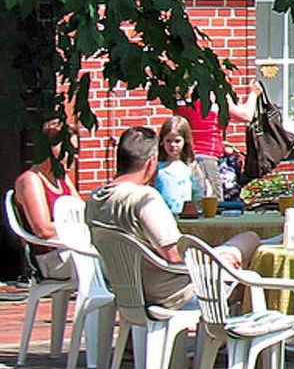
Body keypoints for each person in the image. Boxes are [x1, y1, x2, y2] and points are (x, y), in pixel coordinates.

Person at [85, 127, 261, 310]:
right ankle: (232, 335)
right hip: (177, 294)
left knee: (241, 251)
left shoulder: (95, 198)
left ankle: (218, 337)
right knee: (251, 243)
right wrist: (217, 257)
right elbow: (174, 254)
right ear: (151, 162)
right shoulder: (144, 199)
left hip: (129, 292)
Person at [11, 112, 79, 278]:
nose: (74, 156)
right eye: (68, 150)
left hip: (70, 250)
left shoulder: (62, 179)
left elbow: (83, 214)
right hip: (50, 259)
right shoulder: (31, 180)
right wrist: (79, 229)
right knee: (113, 266)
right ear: (50, 149)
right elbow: (43, 229)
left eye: (75, 150)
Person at [171, 81, 259, 201]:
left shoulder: (178, 102)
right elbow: (246, 115)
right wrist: (254, 93)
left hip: (184, 156)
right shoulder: (214, 99)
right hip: (206, 156)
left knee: (187, 198)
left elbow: (197, 128)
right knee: (213, 201)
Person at [152, 116, 202, 219]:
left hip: (186, 217)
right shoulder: (157, 167)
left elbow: (198, 192)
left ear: (185, 141)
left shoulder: (190, 167)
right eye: (168, 141)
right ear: (162, 142)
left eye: (177, 141)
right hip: (162, 217)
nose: (173, 145)